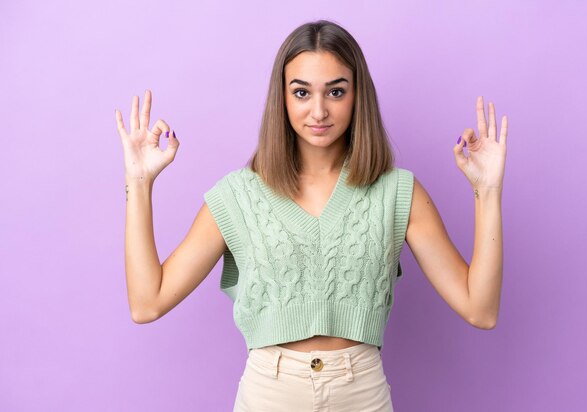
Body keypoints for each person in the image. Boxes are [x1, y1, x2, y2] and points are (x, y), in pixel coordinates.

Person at [115, 19, 507, 412]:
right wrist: (139, 182)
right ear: (282, 98)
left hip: (362, 395)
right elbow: (148, 302)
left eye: (336, 91)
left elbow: (480, 308)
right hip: (268, 394)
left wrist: (487, 190)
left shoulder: (396, 191)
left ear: (357, 96)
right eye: (301, 92)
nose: (318, 111)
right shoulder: (238, 195)